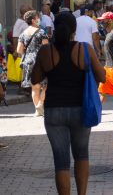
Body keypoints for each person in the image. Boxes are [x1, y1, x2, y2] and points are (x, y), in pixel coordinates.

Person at [31, 11, 105, 195]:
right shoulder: (84, 49)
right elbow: (102, 76)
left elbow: (35, 78)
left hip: (54, 111)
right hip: (81, 109)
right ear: (74, 30)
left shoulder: (46, 51)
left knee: (61, 161)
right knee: (81, 155)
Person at [17, 11, 49, 116]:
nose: (39, 19)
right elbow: (46, 48)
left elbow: (19, 50)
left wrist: (28, 52)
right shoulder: (41, 32)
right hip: (40, 61)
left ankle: (37, 110)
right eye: (37, 17)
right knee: (45, 85)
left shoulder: (23, 34)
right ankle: (40, 103)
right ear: (33, 20)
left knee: (34, 87)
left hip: (28, 62)